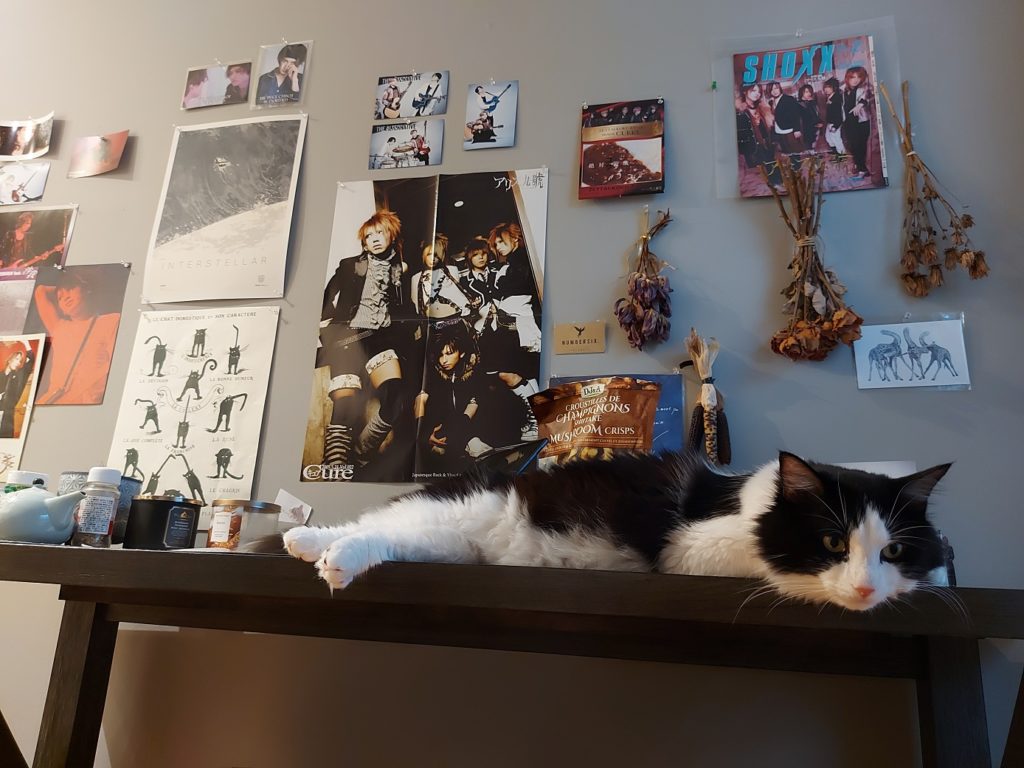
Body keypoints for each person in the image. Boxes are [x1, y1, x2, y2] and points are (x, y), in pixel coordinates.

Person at [318, 210, 416, 472]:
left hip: (381, 337)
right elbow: (325, 300)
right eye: (368, 236)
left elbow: (405, 308)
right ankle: (336, 466)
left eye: (379, 232)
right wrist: (327, 331)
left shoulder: (400, 270)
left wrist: (407, 335)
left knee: (396, 398)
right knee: (346, 403)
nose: (373, 239)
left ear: (391, 235)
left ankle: (362, 452)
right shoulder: (349, 264)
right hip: (349, 336)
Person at [415, 318, 531, 474]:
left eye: (449, 354)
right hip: (441, 426)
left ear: (461, 353)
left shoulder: (474, 372)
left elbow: (473, 404)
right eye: (441, 355)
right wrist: (424, 433)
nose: (444, 360)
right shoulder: (435, 373)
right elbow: (421, 399)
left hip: (468, 426)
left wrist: (460, 431)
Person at [32, 269, 120, 405]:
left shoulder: (111, 321)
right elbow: (40, 291)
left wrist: (83, 284)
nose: (65, 297)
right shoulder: (59, 328)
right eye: (59, 297)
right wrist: (68, 287)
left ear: (86, 289)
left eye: (70, 289)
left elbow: (113, 367)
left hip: (87, 404)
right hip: (52, 403)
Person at [488, 222, 542, 353]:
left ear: (515, 238)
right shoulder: (512, 262)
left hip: (525, 317)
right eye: (496, 244)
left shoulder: (524, 260)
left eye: (501, 242)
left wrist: (501, 281)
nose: (498, 247)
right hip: (515, 318)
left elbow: (518, 284)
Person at [411, 233, 473, 319]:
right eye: (429, 254)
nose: (433, 259)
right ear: (423, 255)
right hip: (431, 322)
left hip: (454, 319)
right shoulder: (416, 278)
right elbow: (417, 307)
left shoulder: (452, 270)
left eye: (436, 255)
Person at [735, 83, 781, 188]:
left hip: (767, 141)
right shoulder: (739, 110)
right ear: (745, 91)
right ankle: (775, 185)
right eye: (753, 91)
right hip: (754, 144)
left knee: (773, 164)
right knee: (765, 167)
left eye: (759, 91)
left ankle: (778, 184)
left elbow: (769, 126)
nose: (757, 94)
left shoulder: (762, 107)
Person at [841, 66, 873, 179]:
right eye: (852, 77)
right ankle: (860, 167)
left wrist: (860, 104)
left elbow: (870, 96)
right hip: (848, 123)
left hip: (861, 122)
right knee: (852, 146)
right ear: (847, 78)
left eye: (858, 77)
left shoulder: (865, 87)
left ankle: (862, 170)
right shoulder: (844, 89)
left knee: (860, 146)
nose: (855, 80)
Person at [0, 344, 31, 438]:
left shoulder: (17, 376)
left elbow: (28, 365)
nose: (18, 362)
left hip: (6, 413)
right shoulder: (0, 375)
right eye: (16, 359)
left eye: (20, 361)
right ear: (10, 360)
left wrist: (26, 343)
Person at [765, 82, 803, 153]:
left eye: (776, 88)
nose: (774, 91)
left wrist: (797, 129)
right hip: (779, 131)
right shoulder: (771, 102)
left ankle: (797, 164)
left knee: (794, 152)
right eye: (771, 89)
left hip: (789, 130)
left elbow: (796, 115)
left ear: (780, 88)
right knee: (786, 152)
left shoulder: (789, 99)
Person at [822, 77, 846, 155]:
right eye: (825, 87)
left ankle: (842, 156)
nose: (826, 89)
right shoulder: (830, 97)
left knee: (837, 140)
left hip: (835, 123)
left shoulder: (836, 99)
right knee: (828, 138)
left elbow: (839, 114)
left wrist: (835, 126)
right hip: (830, 122)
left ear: (834, 88)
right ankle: (836, 153)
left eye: (828, 87)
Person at [797, 84, 822, 151]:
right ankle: (812, 155)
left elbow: (816, 113)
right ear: (801, 93)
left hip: (815, 126)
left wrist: (819, 122)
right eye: (806, 92)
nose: (809, 94)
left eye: (810, 92)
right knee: (809, 144)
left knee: (814, 143)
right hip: (806, 128)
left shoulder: (812, 102)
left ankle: (813, 154)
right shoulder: (798, 104)